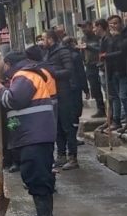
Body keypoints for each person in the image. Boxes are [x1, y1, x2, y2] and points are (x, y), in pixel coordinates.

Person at [0, 51, 57, 216]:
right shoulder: (27, 75)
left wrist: (0, 91)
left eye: (4, 66)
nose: (3, 70)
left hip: (35, 135)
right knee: (38, 175)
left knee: (36, 176)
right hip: (34, 134)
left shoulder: (23, 76)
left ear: (9, 64)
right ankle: (44, 215)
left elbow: (15, 100)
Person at [42, 29, 78, 170]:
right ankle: (61, 155)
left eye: (44, 38)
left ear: (50, 39)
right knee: (57, 127)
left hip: (64, 93)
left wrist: (52, 74)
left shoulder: (63, 51)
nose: (41, 41)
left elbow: (69, 71)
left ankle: (73, 158)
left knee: (67, 126)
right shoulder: (47, 53)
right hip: (52, 94)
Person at [101, 15, 127, 134]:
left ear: (121, 23)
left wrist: (116, 36)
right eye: (111, 24)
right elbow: (108, 50)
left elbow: (122, 50)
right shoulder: (109, 38)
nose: (114, 26)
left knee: (124, 96)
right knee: (117, 97)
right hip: (113, 71)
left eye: (116, 23)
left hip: (125, 70)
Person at [63, 36, 90, 143]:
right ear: (72, 44)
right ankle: (73, 137)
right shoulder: (75, 56)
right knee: (76, 112)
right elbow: (81, 73)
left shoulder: (60, 56)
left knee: (68, 112)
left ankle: (69, 136)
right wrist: (86, 89)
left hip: (64, 89)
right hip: (75, 87)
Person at [78, 21, 106, 118]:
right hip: (89, 66)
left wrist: (88, 47)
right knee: (95, 89)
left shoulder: (98, 37)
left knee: (105, 87)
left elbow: (100, 49)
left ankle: (110, 109)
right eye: (82, 28)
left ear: (91, 26)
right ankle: (100, 109)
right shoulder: (83, 38)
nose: (83, 29)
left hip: (99, 65)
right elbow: (82, 52)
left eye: (85, 27)